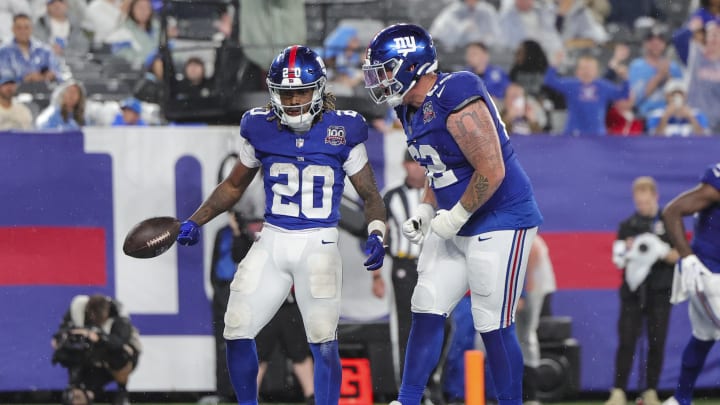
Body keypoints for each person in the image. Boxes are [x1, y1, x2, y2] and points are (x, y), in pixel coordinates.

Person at [176, 45, 387, 405]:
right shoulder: (260, 127)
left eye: (301, 92)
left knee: (322, 338)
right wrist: (195, 220)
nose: (292, 101)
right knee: (237, 326)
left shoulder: (343, 129)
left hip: (318, 242)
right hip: (273, 239)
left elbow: (370, 195)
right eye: (286, 93)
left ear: (318, 89)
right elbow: (233, 185)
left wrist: (377, 232)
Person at [363, 23, 543, 405]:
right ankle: (409, 399)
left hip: (501, 217)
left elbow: (492, 170)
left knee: (491, 321)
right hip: (457, 219)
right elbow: (439, 167)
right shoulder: (408, 108)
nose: (378, 78)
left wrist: (455, 216)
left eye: (384, 68)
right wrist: (428, 208)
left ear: (411, 65)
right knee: (426, 302)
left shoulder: (454, 92)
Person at [605, 176, 679, 405]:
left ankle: (651, 390)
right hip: (633, 293)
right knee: (627, 340)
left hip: (660, 291)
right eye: (639, 203)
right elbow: (618, 258)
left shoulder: (669, 222)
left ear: (655, 197)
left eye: (646, 202)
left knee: (657, 342)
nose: (643, 207)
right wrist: (631, 251)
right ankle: (618, 391)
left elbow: (680, 254)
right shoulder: (628, 225)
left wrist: (661, 251)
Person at [660, 163, 720, 405]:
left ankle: (680, 399)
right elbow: (672, 211)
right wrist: (688, 257)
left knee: (703, 335)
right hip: (708, 273)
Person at [51, 294, 141, 405]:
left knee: (121, 355)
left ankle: (122, 392)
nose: (96, 321)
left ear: (107, 312)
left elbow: (119, 342)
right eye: (93, 317)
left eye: (100, 318)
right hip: (91, 358)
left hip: (115, 358)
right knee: (65, 352)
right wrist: (66, 336)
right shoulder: (78, 307)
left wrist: (98, 336)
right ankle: (78, 389)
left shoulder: (118, 314)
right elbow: (61, 333)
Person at [543, 54, 629, 136]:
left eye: (590, 69)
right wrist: (555, 63)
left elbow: (623, 94)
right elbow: (549, 81)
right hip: (573, 133)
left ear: (596, 71)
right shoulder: (571, 85)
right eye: (583, 68)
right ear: (577, 71)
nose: (586, 71)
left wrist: (625, 78)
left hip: (597, 135)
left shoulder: (603, 86)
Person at [515, 234, 556, 405]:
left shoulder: (529, 239)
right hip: (530, 290)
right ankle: (525, 394)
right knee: (521, 338)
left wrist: (523, 291)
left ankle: (530, 394)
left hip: (531, 292)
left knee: (526, 337)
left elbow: (531, 259)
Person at [628, 25, 684, 118]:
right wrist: (659, 75)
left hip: (670, 115)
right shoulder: (636, 66)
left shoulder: (673, 67)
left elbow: (679, 97)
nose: (655, 44)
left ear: (664, 44)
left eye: (659, 41)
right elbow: (636, 99)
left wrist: (668, 76)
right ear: (645, 44)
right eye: (651, 41)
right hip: (645, 115)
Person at [0, 13, 63, 83]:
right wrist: (25, 79)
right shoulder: (3, 51)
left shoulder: (45, 51)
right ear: (13, 29)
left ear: (31, 29)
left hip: (44, 91)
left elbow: (58, 75)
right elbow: (4, 78)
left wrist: (49, 76)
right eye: (19, 28)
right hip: (15, 92)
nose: (23, 31)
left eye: (26, 27)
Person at [429, 0, 502, 51]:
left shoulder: (488, 11)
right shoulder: (453, 10)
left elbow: (497, 36)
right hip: (458, 51)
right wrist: (462, 28)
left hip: (483, 51)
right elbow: (436, 33)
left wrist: (485, 40)